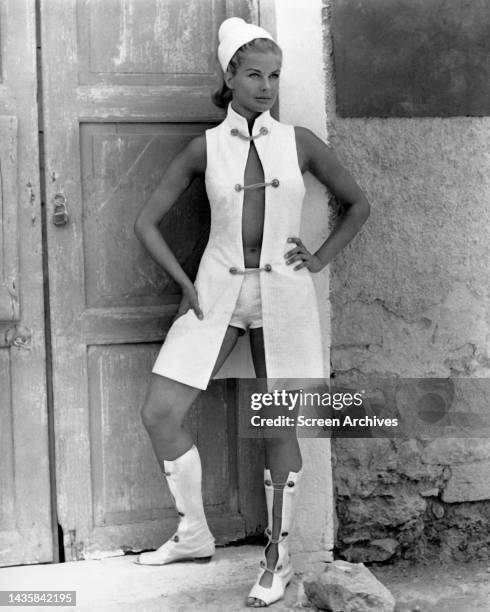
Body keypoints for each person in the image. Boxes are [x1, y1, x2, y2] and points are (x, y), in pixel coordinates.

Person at [133, 17, 370, 608]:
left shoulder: (301, 142)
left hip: (284, 296)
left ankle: (277, 559)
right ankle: (193, 534)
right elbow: (145, 223)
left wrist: (317, 259)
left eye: (275, 76)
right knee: (161, 411)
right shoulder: (203, 149)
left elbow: (359, 204)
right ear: (230, 77)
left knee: (278, 425)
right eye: (254, 74)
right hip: (216, 291)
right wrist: (187, 284)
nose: (266, 86)